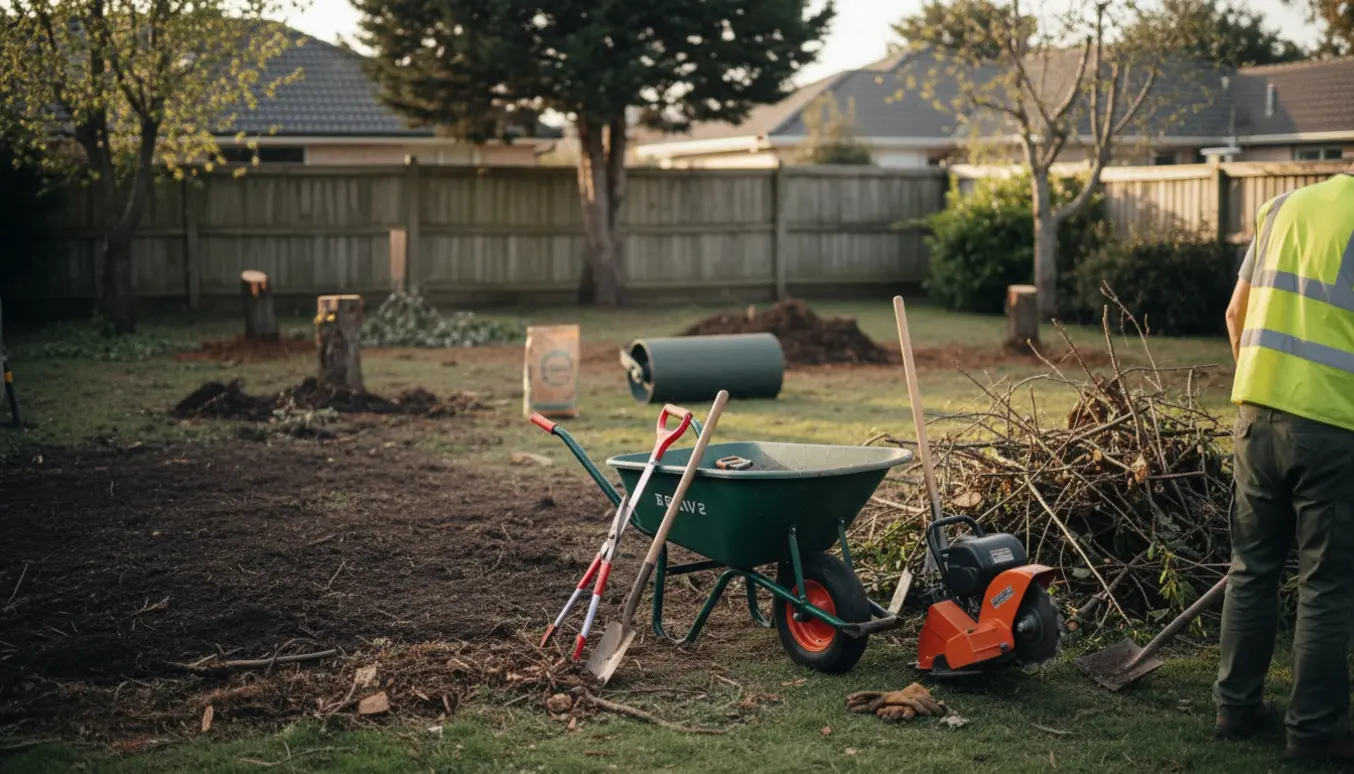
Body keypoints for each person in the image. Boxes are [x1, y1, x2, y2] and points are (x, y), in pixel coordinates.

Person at [1215, 162, 1354, 761]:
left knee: (1252, 568)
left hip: (1256, 416)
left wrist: (1260, 383)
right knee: (1326, 584)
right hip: (1331, 429)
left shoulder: (1281, 207)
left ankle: (1236, 709)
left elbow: (1234, 315)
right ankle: (1315, 731)